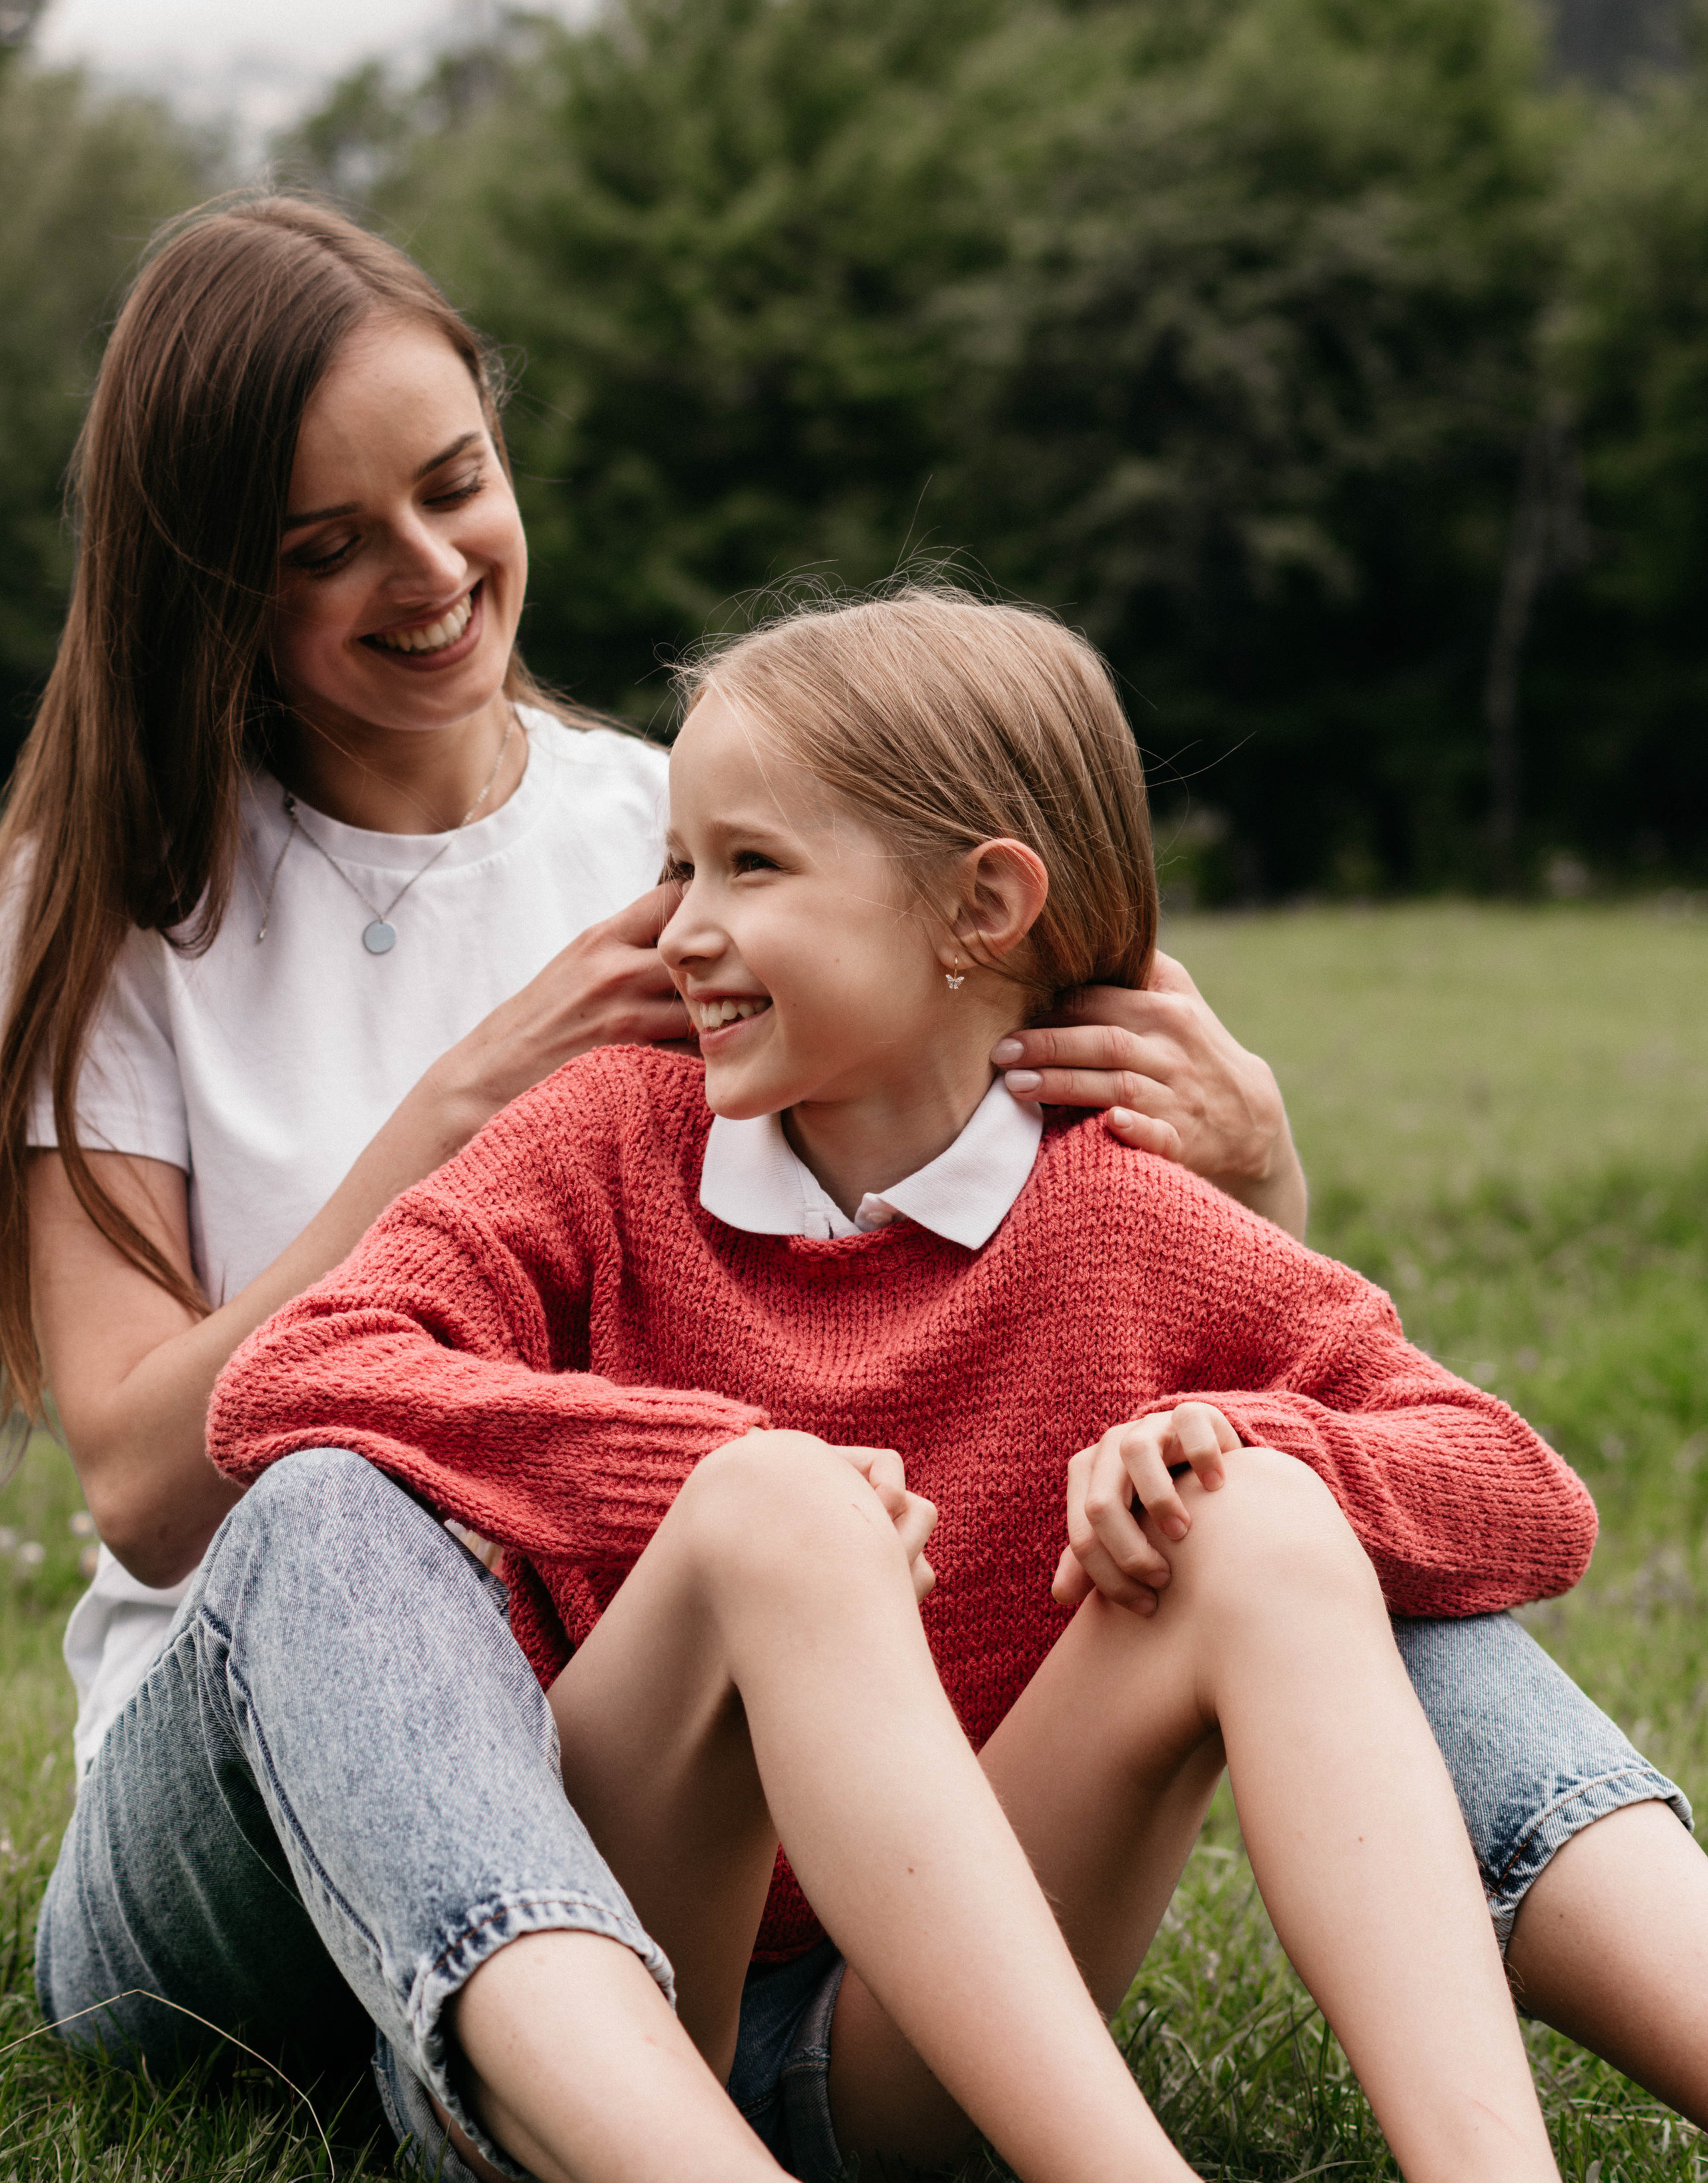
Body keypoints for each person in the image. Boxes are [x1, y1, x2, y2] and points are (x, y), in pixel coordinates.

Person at [0, 197, 1697, 2145]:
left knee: (1289, 1516)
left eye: (456, 482)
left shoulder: (707, 814)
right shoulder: (117, 905)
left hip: (720, 1770)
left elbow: (1065, 1247)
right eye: (324, 550)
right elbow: (147, 1485)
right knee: (335, 1502)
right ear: (213, 585)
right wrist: (461, 1115)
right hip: (269, 1762)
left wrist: (1248, 1203)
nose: (432, 567)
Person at [193, 585, 1597, 2183]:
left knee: (1259, 1521)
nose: (679, 928)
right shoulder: (606, 1138)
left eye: (750, 866)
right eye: (676, 865)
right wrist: (705, 1473)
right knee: (772, 1506)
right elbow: (289, 1374)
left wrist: (1221, 1443)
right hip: (626, 1994)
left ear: (978, 908)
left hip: (905, 2063)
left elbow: (1521, 1492)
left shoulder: (1120, 1210)